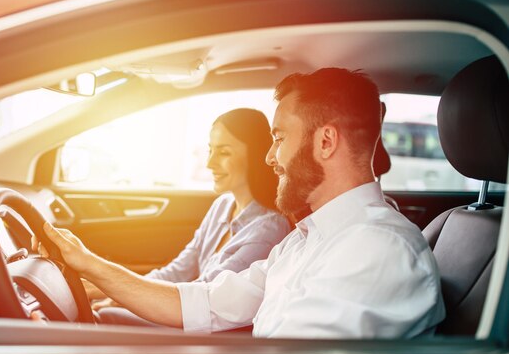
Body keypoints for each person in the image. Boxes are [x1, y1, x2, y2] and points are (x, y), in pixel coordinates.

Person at [36, 68, 446, 338]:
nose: (270, 158)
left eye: (279, 138)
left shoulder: (376, 249)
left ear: (325, 141)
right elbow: (205, 303)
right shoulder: (306, 240)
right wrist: (87, 263)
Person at [90, 108, 291, 325]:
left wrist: (125, 294)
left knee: (103, 318)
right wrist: (120, 294)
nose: (210, 163)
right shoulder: (222, 205)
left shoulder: (270, 228)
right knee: (103, 311)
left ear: (255, 155)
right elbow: (180, 269)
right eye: (210, 150)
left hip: (207, 327)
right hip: (184, 310)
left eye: (224, 153)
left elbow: (205, 293)